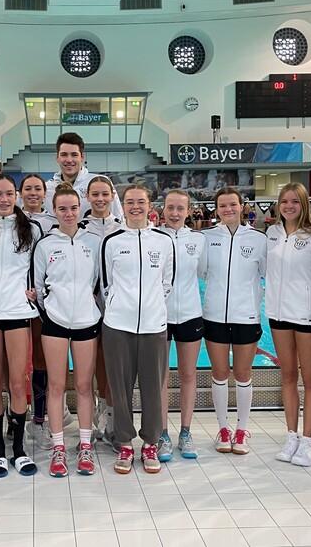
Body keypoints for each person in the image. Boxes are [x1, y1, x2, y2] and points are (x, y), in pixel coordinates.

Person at [100, 184, 175, 475]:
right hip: (118, 325)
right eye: (130, 202)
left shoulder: (164, 241)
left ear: (149, 205)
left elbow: (167, 282)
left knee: (153, 389)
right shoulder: (112, 241)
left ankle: (151, 443)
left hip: (154, 326)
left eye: (140, 202)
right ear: (123, 205)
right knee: (120, 389)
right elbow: (106, 284)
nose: (135, 207)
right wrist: (123, 307)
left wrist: (151, 308)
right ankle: (124, 443)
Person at [30, 183, 101, 477]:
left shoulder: (93, 242)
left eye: (73, 208)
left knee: (84, 387)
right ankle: (58, 448)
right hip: (55, 323)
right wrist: (51, 313)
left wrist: (88, 308)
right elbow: (36, 286)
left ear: (80, 207)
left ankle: (85, 445)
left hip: (86, 321)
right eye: (62, 209)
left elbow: (98, 283)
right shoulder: (46, 244)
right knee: (56, 386)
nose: (69, 213)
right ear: (54, 210)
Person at [0, 174, 43, 477]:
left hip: (17, 311)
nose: (3, 199)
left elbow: (40, 268)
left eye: (8, 194)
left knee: (17, 382)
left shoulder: (31, 229)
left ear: (16, 196)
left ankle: (18, 449)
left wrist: (34, 293)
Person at [200, 187, 267, 456]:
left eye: (232, 205)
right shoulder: (206, 238)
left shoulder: (259, 240)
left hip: (246, 316)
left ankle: (241, 429)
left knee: (242, 374)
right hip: (214, 315)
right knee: (218, 373)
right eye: (223, 206)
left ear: (242, 207)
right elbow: (202, 272)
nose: (228, 209)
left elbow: (265, 274)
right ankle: (223, 428)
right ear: (216, 209)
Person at [265, 183, 311, 468]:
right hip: (277, 314)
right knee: (287, 375)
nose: (288, 206)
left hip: (307, 315)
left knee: (310, 378)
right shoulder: (272, 234)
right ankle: (291, 436)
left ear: (304, 205)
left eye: (295, 202)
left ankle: (309, 440)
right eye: (284, 201)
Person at [156, 190, 206, 462]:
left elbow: (204, 273)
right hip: (159, 317)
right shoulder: (154, 238)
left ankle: (185, 431)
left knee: (188, 374)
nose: (175, 213)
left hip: (190, 314)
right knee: (161, 377)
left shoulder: (198, 241)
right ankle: (162, 433)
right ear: (162, 209)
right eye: (170, 208)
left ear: (189, 211)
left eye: (180, 208)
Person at [80, 175, 123, 444]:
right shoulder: (80, 228)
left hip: (114, 308)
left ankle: (109, 413)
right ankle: (92, 411)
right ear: (87, 197)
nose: (99, 199)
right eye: (94, 194)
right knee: (88, 364)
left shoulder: (122, 228)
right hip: (85, 307)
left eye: (104, 194)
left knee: (109, 364)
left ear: (112, 196)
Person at [18, 173, 59, 448]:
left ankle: (40, 418)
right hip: (18, 300)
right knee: (20, 362)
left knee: (43, 360)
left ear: (45, 194)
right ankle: (18, 416)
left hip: (47, 301)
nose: (33, 193)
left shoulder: (55, 223)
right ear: (21, 193)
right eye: (28, 189)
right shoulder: (13, 222)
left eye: (37, 189)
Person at [44, 132, 123, 218]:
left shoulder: (101, 184)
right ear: (57, 158)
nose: (69, 160)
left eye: (74, 155)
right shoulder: (47, 188)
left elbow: (118, 217)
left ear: (82, 157)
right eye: (64, 155)